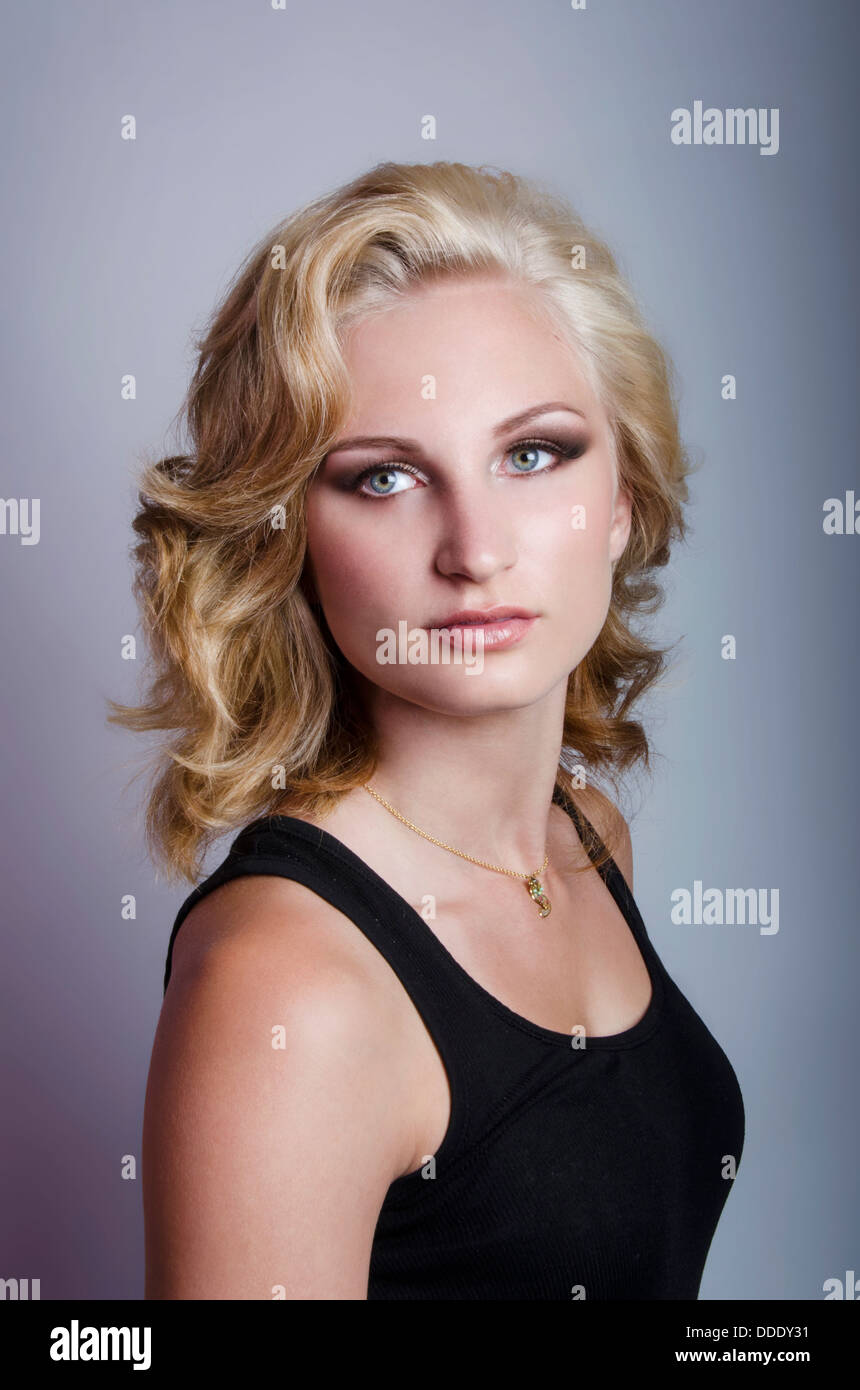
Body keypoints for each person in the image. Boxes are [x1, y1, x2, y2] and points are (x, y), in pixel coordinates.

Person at [110, 160, 745, 1300]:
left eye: (533, 453)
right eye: (387, 476)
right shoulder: (287, 984)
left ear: (623, 502)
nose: (474, 547)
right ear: (283, 537)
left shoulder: (583, 840)